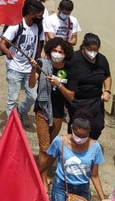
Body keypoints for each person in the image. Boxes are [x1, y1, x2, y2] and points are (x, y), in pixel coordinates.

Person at [31, 37, 77, 184]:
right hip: (42, 110)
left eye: (60, 52)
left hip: (58, 114)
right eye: (54, 51)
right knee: (44, 147)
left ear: (65, 54)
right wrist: (33, 69)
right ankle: (42, 181)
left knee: (50, 148)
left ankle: (40, 171)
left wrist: (59, 85)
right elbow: (31, 84)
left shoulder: (70, 70)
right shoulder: (42, 64)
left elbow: (71, 96)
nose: (57, 54)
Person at [38, 114, 106, 201]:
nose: (80, 139)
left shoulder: (95, 147)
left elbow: (95, 175)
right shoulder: (60, 141)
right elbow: (49, 162)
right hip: (61, 186)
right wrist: (36, 173)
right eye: (77, 135)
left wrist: (102, 198)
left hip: (83, 189)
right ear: (71, 128)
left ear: (89, 132)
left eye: (83, 137)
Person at [0, 0, 46, 124]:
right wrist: (7, 51)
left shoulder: (39, 27)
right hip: (15, 68)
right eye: (39, 15)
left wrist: (37, 61)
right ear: (31, 13)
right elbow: (2, 43)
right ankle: (11, 125)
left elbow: (39, 45)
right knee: (13, 98)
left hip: (30, 69)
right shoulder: (17, 25)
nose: (41, 17)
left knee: (33, 96)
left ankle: (21, 110)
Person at [67, 33, 111, 140]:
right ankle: (73, 145)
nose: (93, 53)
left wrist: (107, 91)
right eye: (90, 50)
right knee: (79, 126)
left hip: (95, 100)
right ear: (84, 47)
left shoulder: (102, 60)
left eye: (96, 50)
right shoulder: (74, 59)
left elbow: (107, 76)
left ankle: (89, 145)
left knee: (97, 125)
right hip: (78, 101)